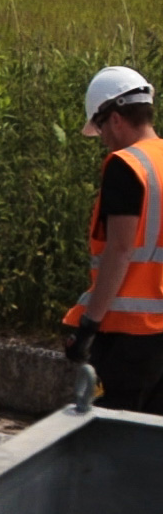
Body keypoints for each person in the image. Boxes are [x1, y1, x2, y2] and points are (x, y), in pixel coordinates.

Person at [63, 65, 163, 413]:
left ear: (116, 118)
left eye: (101, 126)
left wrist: (89, 323)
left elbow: (120, 250)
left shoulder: (126, 165)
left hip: (130, 336)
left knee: (116, 435)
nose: (102, 137)